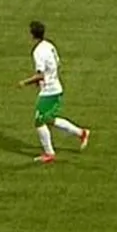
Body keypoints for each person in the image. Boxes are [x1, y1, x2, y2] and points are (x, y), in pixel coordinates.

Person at [19, 21, 91, 164]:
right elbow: (56, 63)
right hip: (55, 86)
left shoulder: (38, 52)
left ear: (32, 35)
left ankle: (49, 153)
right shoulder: (49, 45)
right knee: (49, 119)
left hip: (49, 91)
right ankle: (81, 133)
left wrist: (25, 83)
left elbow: (40, 75)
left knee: (39, 121)